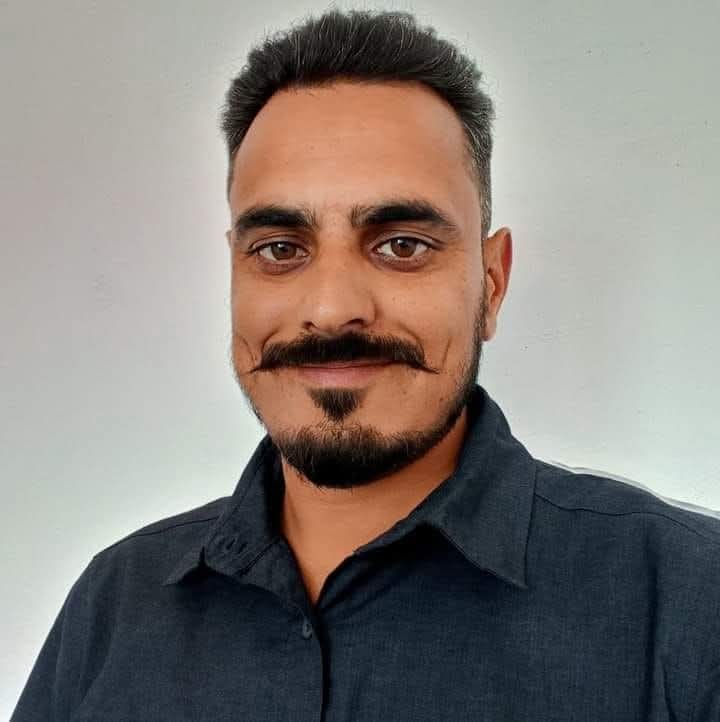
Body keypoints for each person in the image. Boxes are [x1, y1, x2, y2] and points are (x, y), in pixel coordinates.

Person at [11, 8, 720, 721]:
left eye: (401, 245)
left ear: (492, 283)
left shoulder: (690, 604)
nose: (331, 309)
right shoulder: (114, 606)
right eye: (280, 249)